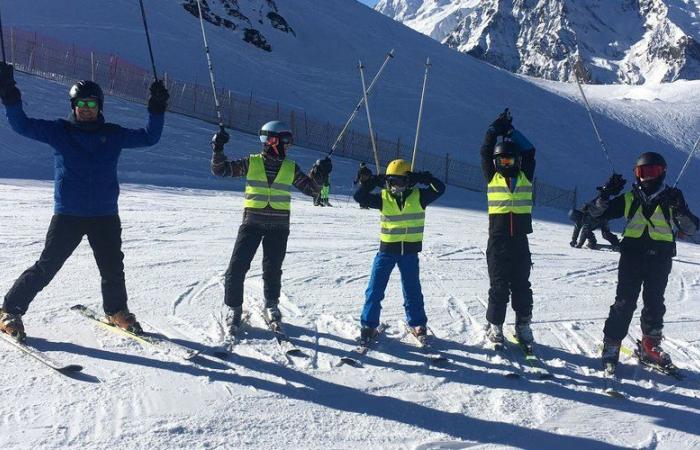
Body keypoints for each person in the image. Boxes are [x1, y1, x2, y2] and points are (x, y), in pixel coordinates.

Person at [0, 62, 169, 341]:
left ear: (99, 105)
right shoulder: (59, 131)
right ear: (73, 105)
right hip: (69, 214)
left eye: (91, 102)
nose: (86, 107)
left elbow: (150, 137)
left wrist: (157, 107)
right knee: (47, 265)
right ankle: (10, 310)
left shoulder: (113, 135)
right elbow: (21, 125)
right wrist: (9, 93)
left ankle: (116, 311)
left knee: (112, 267)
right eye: (80, 103)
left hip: (105, 214)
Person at [210, 121, 332, 334]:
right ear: (273, 141)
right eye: (286, 142)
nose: (289, 147)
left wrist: (320, 173)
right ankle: (234, 308)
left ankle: (271, 305)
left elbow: (312, 190)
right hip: (252, 224)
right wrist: (218, 148)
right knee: (237, 267)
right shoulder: (252, 162)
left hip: (279, 226)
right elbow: (220, 170)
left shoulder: (290, 167)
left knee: (273, 268)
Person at [591, 153, 698, 371]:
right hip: (632, 256)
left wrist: (680, 209)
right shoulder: (631, 197)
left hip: (659, 258)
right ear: (636, 174)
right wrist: (605, 196)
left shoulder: (672, 196)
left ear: (663, 172)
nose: (647, 178)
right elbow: (593, 215)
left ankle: (650, 346)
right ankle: (611, 345)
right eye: (642, 173)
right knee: (624, 302)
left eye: (653, 172)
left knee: (654, 303)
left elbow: (691, 229)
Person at [353, 159, 445, 344]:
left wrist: (423, 178)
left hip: (409, 253)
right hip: (386, 251)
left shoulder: (419, 196)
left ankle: (418, 323)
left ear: (409, 181)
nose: (395, 186)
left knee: (412, 290)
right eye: (391, 181)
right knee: (375, 289)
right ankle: (368, 325)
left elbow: (440, 188)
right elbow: (359, 197)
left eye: (400, 181)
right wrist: (372, 182)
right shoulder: (383, 197)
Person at [480, 109, 537, 349]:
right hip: (498, 240)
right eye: (502, 161)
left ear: (516, 161)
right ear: (496, 163)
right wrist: (494, 130)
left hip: (520, 240)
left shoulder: (525, 177)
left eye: (510, 160)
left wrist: (512, 132)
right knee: (499, 285)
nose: (506, 164)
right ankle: (496, 327)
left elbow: (530, 150)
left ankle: (523, 325)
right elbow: (485, 150)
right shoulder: (492, 177)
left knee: (522, 284)